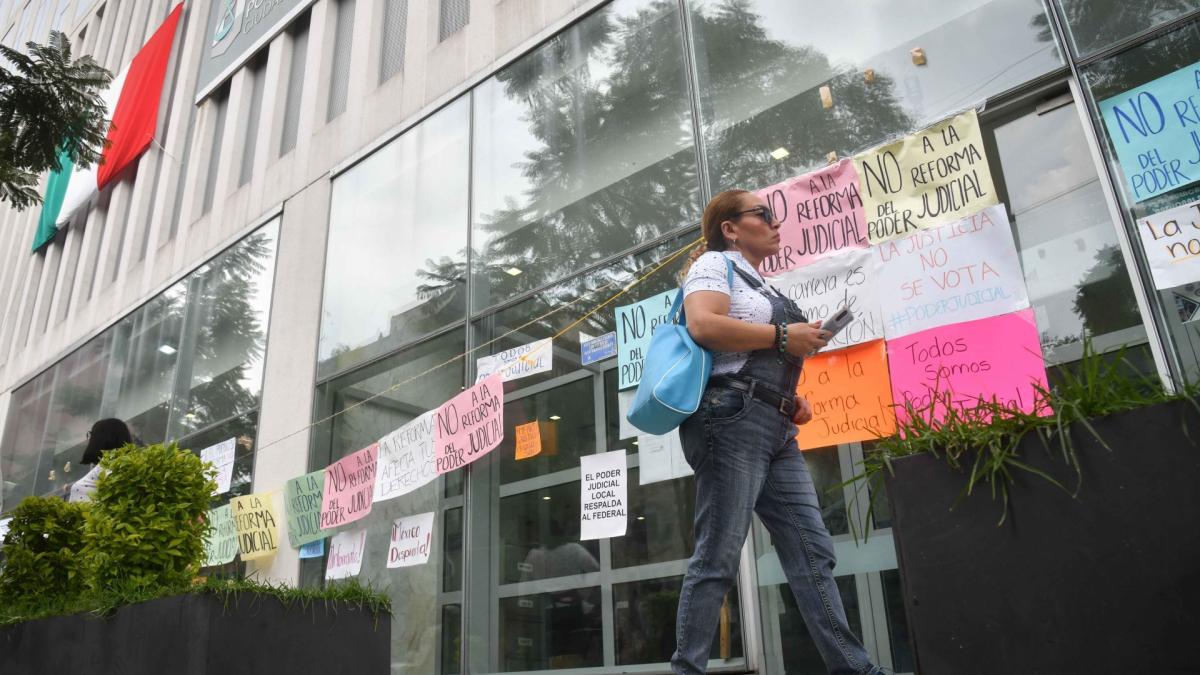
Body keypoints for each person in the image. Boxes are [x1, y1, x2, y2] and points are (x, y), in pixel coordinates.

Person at [671, 190, 884, 675]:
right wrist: (785, 336)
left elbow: (757, 357)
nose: (774, 223)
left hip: (774, 425)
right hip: (731, 419)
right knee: (718, 558)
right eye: (763, 214)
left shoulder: (761, 284)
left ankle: (855, 670)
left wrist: (790, 399)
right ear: (731, 228)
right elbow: (703, 324)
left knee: (813, 552)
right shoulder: (713, 266)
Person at [68, 418, 134, 503]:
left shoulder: (110, 465)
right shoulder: (124, 464)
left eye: (92, 434)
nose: (89, 439)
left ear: (100, 438)